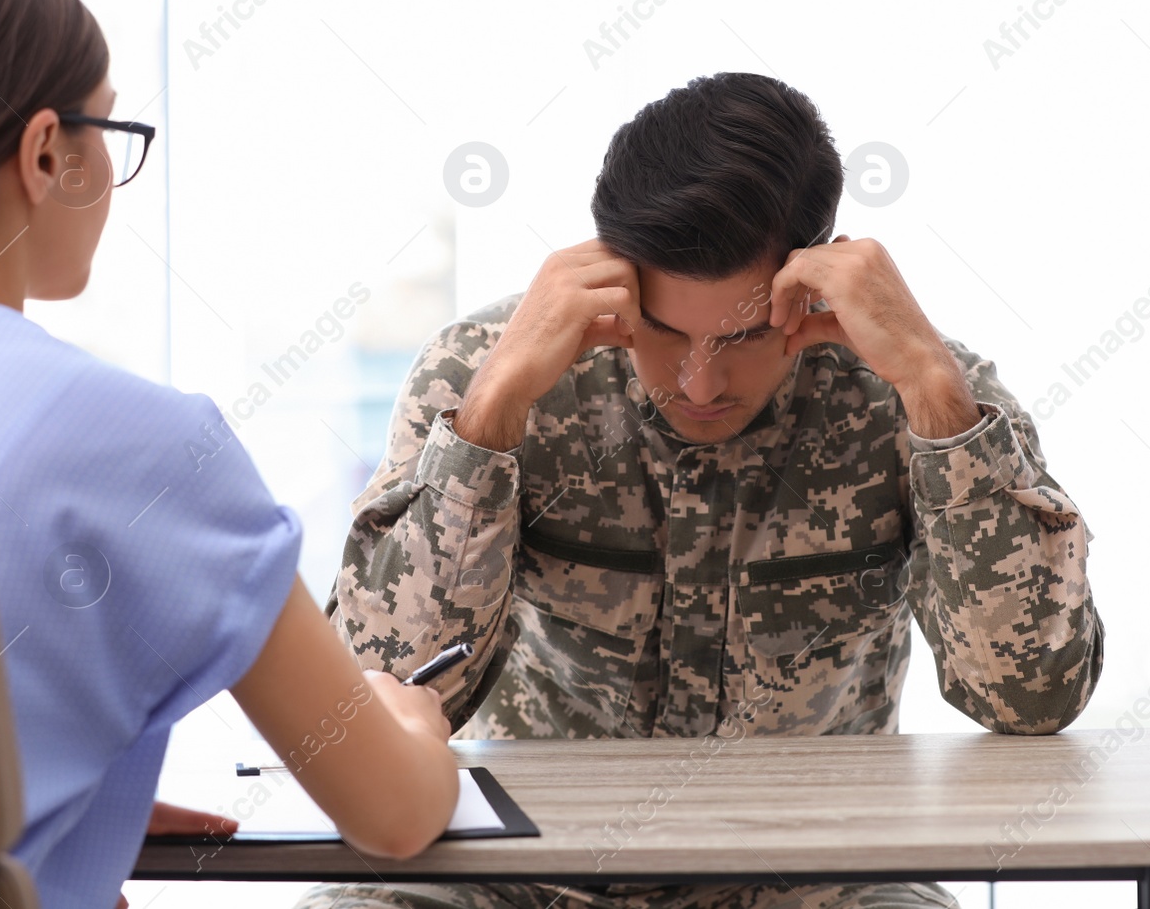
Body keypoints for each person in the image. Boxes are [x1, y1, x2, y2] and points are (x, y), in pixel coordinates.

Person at [308, 72, 1105, 909]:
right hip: (530, 877)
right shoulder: (488, 373)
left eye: (746, 337)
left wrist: (939, 402)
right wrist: (489, 416)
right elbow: (379, 691)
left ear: (818, 279)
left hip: (814, 879)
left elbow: (1031, 697)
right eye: (665, 331)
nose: (699, 381)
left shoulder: (916, 390)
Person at [0, 0, 459, 909]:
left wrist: (15, 796)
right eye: (110, 127)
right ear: (44, 154)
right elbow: (393, 811)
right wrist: (414, 726)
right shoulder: (135, 442)